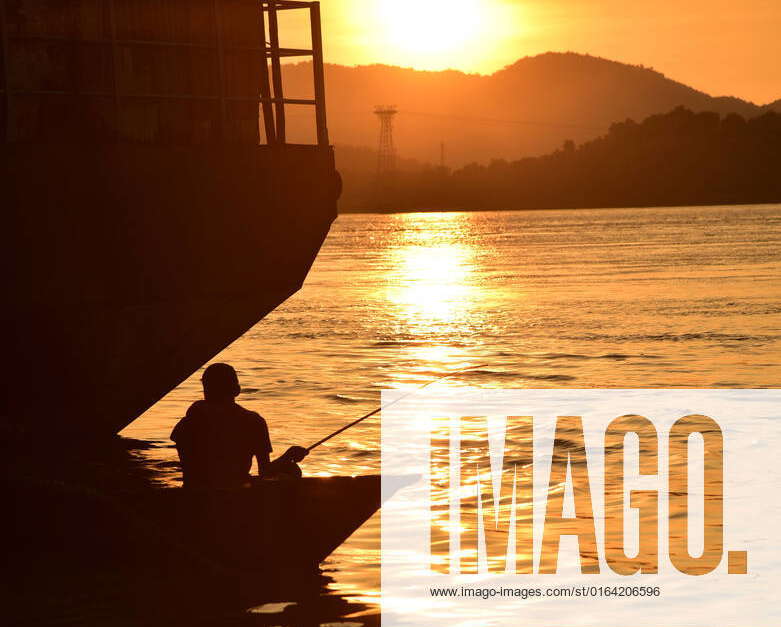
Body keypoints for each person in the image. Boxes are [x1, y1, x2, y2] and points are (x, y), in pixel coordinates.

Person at [171, 363, 308, 489]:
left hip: (194, 493)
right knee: (292, 470)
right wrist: (288, 456)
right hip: (235, 493)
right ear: (237, 390)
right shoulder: (254, 422)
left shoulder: (189, 421)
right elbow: (265, 470)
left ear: (205, 390)